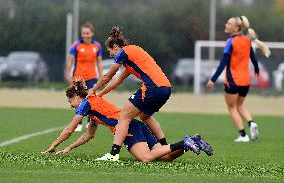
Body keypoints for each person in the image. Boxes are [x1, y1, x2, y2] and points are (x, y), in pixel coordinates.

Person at [41, 79, 213, 162]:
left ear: (77, 97)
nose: (71, 105)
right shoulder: (92, 106)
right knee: (165, 158)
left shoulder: (85, 104)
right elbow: (89, 135)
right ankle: (192, 142)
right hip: (136, 124)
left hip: (128, 128)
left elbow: (69, 129)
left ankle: (186, 141)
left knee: (145, 158)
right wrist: (69, 148)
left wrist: (53, 147)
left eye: (70, 101)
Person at [87, 26, 172, 160]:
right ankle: (165, 147)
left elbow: (107, 76)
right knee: (145, 116)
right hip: (165, 88)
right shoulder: (133, 54)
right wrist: (100, 94)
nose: (112, 56)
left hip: (153, 87)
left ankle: (113, 154)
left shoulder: (124, 53)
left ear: (115, 47)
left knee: (124, 116)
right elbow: (117, 80)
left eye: (111, 53)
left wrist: (93, 89)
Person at [207, 16, 271, 142]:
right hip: (245, 81)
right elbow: (253, 58)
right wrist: (257, 69)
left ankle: (243, 135)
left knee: (232, 107)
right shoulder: (247, 41)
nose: (226, 24)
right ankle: (251, 123)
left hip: (233, 80)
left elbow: (223, 63)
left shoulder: (231, 41)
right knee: (240, 105)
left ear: (236, 28)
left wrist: (213, 79)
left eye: (229, 23)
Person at [65, 22, 103, 131]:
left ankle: (90, 121)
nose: (85, 35)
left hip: (92, 77)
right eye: (83, 33)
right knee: (78, 101)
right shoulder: (76, 45)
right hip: (78, 78)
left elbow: (99, 62)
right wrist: (68, 74)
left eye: (87, 33)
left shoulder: (97, 46)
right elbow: (70, 61)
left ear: (92, 33)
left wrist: (101, 76)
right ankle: (79, 123)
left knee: (91, 99)